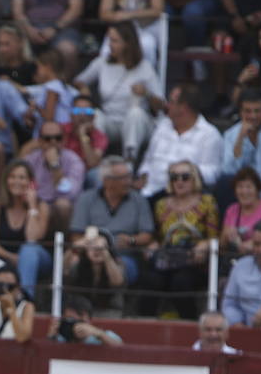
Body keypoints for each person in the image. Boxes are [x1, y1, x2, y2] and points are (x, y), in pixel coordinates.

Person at [74, 22, 162, 162]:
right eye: (109, 40)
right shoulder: (102, 63)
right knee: (95, 114)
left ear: (127, 43)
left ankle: (129, 161)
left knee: (135, 113)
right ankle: (95, 159)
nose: (110, 45)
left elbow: (162, 106)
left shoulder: (144, 67)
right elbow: (78, 81)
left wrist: (146, 94)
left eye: (114, 41)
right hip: (110, 121)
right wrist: (83, 89)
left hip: (136, 123)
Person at [69, 156, 154, 285]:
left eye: (128, 176)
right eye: (122, 178)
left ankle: (115, 302)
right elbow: (76, 235)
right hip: (90, 253)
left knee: (121, 267)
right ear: (106, 181)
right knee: (76, 262)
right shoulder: (86, 199)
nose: (128, 182)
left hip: (124, 255)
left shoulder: (139, 200)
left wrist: (132, 240)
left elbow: (147, 234)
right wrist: (93, 246)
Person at [151, 160, 218, 318]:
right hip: (168, 256)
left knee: (181, 281)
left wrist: (204, 245)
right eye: (174, 177)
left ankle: (190, 321)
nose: (179, 181)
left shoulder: (207, 202)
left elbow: (214, 237)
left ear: (194, 179)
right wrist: (153, 245)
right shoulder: (160, 204)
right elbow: (157, 236)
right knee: (150, 280)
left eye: (185, 177)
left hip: (194, 258)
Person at [136, 82, 222, 200]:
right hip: (149, 193)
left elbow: (213, 173)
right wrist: (143, 174)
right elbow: (148, 159)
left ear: (183, 107)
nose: (166, 105)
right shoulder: (162, 126)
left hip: (183, 199)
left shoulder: (209, 135)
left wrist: (187, 170)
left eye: (171, 101)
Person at [0, 160, 51, 301]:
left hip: (37, 259)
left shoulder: (42, 206)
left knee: (29, 250)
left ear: (31, 182)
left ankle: (23, 300)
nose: (17, 181)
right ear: (6, 180)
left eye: (22, 178)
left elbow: (33, 238)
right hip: (4, 255)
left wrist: (32, 206)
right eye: (12, 177)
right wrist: (11, 257)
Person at [22, 122, 84, 231]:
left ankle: (62, 244)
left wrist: (55, 165)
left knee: (63, 205)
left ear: (64, 140)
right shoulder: (30, 160)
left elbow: (70, 193)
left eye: (58, 138)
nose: (53, 142)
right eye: (47, 138)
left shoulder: (74, 161)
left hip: (59, 209)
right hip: (36, 204)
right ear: (40, 141)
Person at [222, 167, 261, 257]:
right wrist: (228, 236)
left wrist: (255, 244)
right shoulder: (232, 210)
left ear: (258, 189)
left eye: (249, 187)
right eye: (240, 186)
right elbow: (222, 245)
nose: (244, 191)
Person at [48, 293, 124, 344]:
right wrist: (51, 336)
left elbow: (122, 350)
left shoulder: (102, 336)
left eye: (74, 321)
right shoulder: (61, 339)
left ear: (87, 320)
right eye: (68, 320)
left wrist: (100, 334)